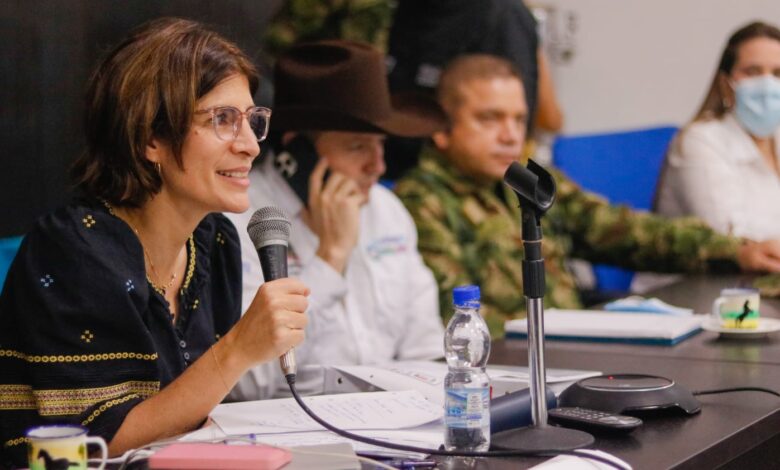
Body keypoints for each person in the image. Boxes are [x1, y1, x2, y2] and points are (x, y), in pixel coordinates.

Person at [0, 18, 309, 468]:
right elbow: (96, 442)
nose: (250, 146)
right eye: (223, 120)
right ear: (151, 138)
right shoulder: (75, 251)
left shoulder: (214, 240)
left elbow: (192, 422)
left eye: (253, 121)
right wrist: (239, 348)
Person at [394, 54, 780, 336]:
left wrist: (734, 250)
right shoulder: (422, 201)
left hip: (573, 350)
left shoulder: (524, 178)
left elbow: (621, 229)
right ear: (442, 128)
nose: (510, 134)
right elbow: (458, 320)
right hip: (508, 372)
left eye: (517, 119)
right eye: (490, 119)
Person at [226, 40, 446, 400]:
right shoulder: (238, 220)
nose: (378, 166)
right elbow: (249, 383)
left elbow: (426, 348)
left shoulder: (385, 210)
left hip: (396, 418)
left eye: (381, 145)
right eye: (357, 147)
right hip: (289, 431)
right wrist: (331, 258)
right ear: (297, 151)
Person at [384, 0, 563, 179]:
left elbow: (519, 116)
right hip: (391, 173)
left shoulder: (501, 16)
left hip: (457, 181)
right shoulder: (404, 10)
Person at [655, 21, 780, 241]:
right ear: (725, 82)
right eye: (753, 71)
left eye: (778, 73)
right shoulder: (699, 142)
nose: (768, 84)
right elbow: (729, 237)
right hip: (704, 274)